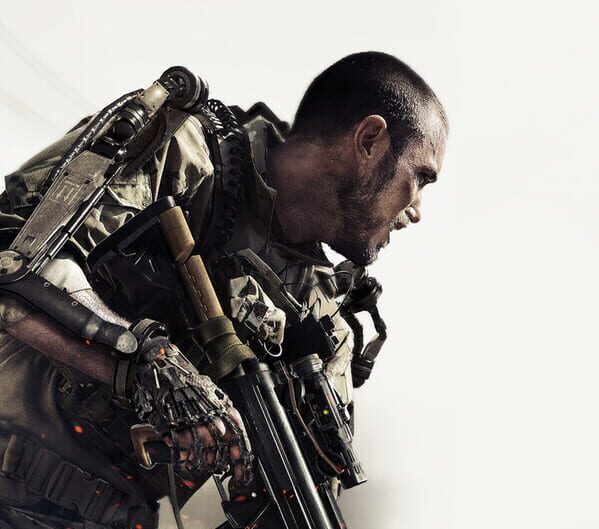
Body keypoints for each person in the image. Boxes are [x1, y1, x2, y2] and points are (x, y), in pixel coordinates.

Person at [0, 51, 448, 529]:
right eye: (420, 177)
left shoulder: (325, 332)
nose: (417, 210)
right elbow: (14, 260)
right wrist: (144, 363)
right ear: (370, 139)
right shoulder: (184, 151)